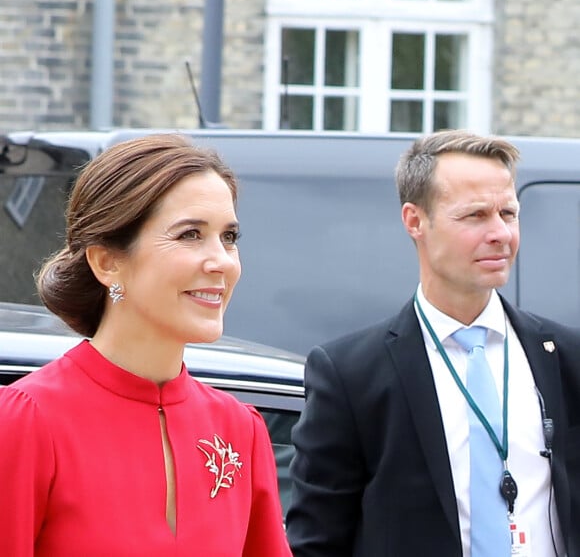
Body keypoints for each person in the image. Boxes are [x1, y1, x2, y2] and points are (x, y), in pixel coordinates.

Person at [286, 129, 580, 556]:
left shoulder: (564, 356)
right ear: (414, 221)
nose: (501, 233)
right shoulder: (351, 374)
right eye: (475, 216)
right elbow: (317, 539)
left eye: (509, 213)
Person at [0, 133, 292, 556]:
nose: (222, 262)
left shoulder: (238, 429)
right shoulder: (28, 421)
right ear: (107, 262)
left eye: (229, 237)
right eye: (190, 235)